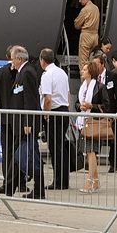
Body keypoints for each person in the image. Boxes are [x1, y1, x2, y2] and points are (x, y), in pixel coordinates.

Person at [0, 46, 24, 195]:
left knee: (9, 151)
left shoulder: (0, 72)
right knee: (18, 151)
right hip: (17, 118)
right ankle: (19, 183)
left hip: (4, 118)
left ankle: (8, 183)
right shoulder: (20, 71)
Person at [10, 46, 45, 199]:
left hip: (27, 123)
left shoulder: (28, 72)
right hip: (22, 122)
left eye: (12, 59)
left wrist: (28, 122)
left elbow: (30, 100)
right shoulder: (22, 72)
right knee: (22, 154)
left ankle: (38, 190)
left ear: (19, 59)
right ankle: (10, 186)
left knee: (32, 156)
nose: (11, 63)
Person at [38, 48, 71, 189]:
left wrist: (47, 114)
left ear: (42, 60)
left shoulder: (47, 75)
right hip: (64, 111)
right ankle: (63, 180)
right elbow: (68, 94)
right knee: (61, 147)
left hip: (54, 112)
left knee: (55, 148)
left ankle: (59, 181)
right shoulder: (62, 72)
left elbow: (48, 98)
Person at [76, 58, 109, 193]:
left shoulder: (100, 87)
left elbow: (106, 106)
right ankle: (96, 181)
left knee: (91, 152)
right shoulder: (82, 87)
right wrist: (80, 106)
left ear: (90, 72)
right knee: (88, 152)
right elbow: (77, 103)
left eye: (84, 70)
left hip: (94, 122)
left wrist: (92, 106)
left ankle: (89, 182)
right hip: (83, 120)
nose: (82, 72)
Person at [74, 0, 100, 71]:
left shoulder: (85, 10)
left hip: (86, 36)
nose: (79, 1)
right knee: (93, 62)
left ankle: (84, 81)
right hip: (95, 36)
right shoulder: (96, 8)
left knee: (83, 63)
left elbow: (77, 25)